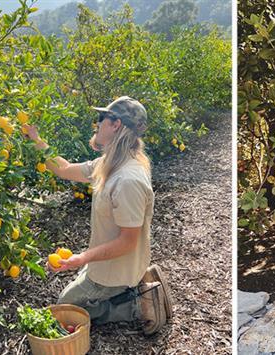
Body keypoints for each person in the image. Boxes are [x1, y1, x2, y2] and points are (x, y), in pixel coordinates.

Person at [22, 96, 172, 335]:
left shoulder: (127, 180)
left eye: (102, 118)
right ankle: (133, 287)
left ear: (116, 125)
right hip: (111, 264)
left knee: (64, 307)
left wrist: (82, 258)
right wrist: (36, 139)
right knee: (72, 297)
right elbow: (64, 169)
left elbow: (127, 242)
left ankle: (137, 305)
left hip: (116, 269)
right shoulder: (111, 163)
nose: (97, 123)